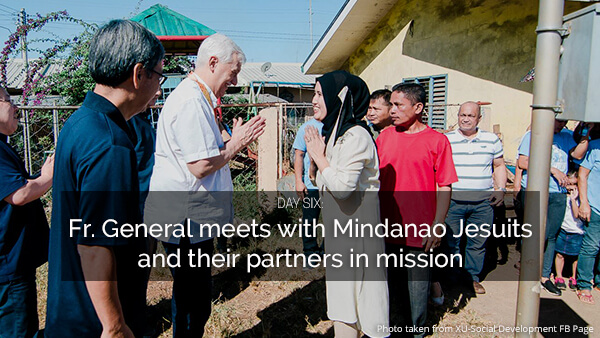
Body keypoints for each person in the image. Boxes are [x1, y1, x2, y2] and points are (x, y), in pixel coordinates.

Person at [45, 20, 164, 337]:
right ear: (139, 74)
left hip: (69, 309)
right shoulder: (110, 143)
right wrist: (114, 326)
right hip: (93, 322)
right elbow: (94, 246)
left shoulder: (80, 122)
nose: (160, 86)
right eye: (159, 74)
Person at [145, 33, 265, 337]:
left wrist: (229, 139)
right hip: (185, 220)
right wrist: (237, 143)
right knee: (192, 300)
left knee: (194, 296)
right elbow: (200, 165)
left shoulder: (201, 99)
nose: (235, 82)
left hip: (192, 218)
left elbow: (206, 150)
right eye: (233, 72)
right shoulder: (191, 101)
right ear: (213, 63)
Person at [304, 70, 389, 338]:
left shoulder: (356, 137)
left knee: (362, 301)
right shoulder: (335, 134)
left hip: (358, 235)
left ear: (339, 99)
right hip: (342, 232)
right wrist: (316, 164)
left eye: (320, 94)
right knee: (344, 303)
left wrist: (319, 157)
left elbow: (342, 189)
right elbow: (325, 184)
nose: (314, 100)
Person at [376, 83, 457, 335]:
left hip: (419, 231)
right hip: (384, 227)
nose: (393, 111)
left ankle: (417, 331)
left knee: (418, 287)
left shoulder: (437, 141)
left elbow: (445, 186)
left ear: (418, 107)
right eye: (391, 105)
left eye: (399, 105)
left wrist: (438, 223)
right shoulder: (384, 137)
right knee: (389, 286)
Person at [0, 87, 53, 337]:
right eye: (9, 101)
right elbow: (19, 194)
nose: (16, 108)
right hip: (9, 266)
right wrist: (47, 177)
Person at [517, 118, 587, 296]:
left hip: (558, 193)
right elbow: (523, 162)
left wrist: (586, 134)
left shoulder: (566, 136)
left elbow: (577, 155)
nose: (560, 125)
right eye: (558, 122)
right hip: (535, 190)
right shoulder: (533, 135)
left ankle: (545, 276)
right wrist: (552, 169)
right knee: (535, 232)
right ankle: (529, 271)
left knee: (551, 235)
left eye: (564, 122)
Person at [444, 101, 506, 294]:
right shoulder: (447, 140)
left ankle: (472, 279)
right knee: (450, 243)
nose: (465, 119)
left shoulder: (491, 140)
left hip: (483, 203)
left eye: (470, 116)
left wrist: (501, 189)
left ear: (479, 118)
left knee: (477, 243)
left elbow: (499, 165)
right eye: (462, 115)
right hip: (453, 201)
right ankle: (452, 280)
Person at [293, 118, 323, 258]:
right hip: (311, 185)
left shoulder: (336, 124)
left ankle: (326, 251)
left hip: (331, 183)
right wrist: (299, 180)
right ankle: (310, 252)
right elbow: (299, 155)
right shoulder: (307, 127)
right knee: (309, 221)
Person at [576, 136, 600, 304]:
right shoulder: (595, 147)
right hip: (595, 205)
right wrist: (584, 202)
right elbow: (582, 175)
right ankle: (584, 285)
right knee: (591, 246)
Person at [554, 170, 584, 292]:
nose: (571, 189)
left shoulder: (580, 200)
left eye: (574, 186)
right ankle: (559, 276)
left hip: (577, 230)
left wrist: (573, 200)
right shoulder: (563, 197)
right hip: (564, 229)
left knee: (575, 257)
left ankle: (573, 276)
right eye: (569, 186)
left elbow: (576, 215)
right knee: (560, 254)